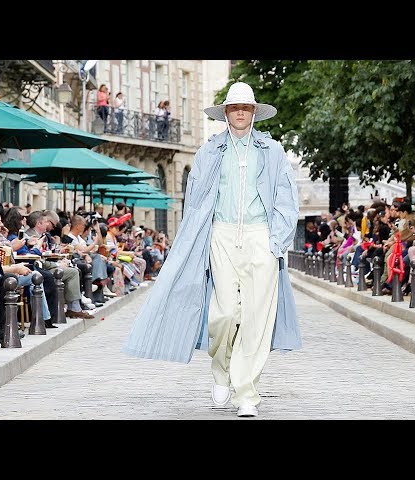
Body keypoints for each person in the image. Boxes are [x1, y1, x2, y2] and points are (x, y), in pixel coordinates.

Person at [123, 81, 301, 418]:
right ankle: (221, 370)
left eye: (245, 108)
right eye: (234, 108)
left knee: (256, 318)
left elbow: (286, 198)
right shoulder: (208, 152)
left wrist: (276, 240)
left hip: (261, 235)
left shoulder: (273, 151)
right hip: (219, 234)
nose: (239, 113)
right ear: (225, 114)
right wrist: (194, 240)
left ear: (253, 112)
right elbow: (194, 201)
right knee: (223, 315)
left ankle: (246, 392)